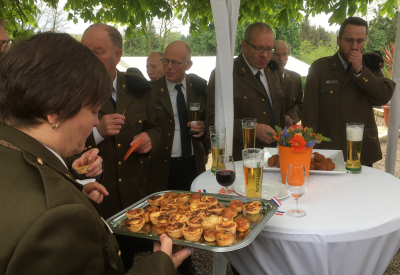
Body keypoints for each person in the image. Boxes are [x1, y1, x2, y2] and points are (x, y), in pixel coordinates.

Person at [0, 32, 189, 275]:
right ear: (54, 111)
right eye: (92, 110)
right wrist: (160, 265)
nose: (94, 122)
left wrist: (74, 191)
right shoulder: (59, 217)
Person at [81, 23, 161, 219]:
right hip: (97, 197)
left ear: (117, 56)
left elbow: (155, 127)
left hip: (134, 193)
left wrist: (149, 139)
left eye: (97, 52)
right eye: (84, 51)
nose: (88, 59)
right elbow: (62, 147)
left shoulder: (138, 88)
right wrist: (97, 132)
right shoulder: (73, 91)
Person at [302, 17, 395, 166]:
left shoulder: (371, 66)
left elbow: (383, 96)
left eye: (360, 41)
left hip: (362, 149)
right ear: (338, 40)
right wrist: (312, 151)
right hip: (328, 150)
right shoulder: (320, 69)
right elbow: (310, 115)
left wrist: (360, 71)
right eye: (349, 40)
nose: (355, 46)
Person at [149, 41, 207, 275]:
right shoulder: (152, 90)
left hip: (193, 164)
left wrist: (204, 128)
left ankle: (187, 264)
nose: (169, 66)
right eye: (166, 60)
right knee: (168, 221)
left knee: (192, 219)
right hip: (164, 167)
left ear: (188, 64)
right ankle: (164, 266)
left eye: (175, 62)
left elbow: (212, 120)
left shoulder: (199, 87)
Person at [206, 22, 285, 161]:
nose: (265, 55)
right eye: (259, 48)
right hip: (241, 159)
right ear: (244, 46)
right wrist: (252, 129)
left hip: (274, 156)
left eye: (269, 49)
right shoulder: (225, 74)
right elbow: (214, 121)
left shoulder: (273, 71)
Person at [271, 40, 303, 127]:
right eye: (277, 54)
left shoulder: (296, 78)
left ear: (288, 56)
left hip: (288, 133)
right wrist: (281, 118)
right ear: (270, 54)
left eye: (284, 54)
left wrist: (291, 116)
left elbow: (300, 105)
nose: (281, 59)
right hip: (267, 131)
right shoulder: (263, 77)